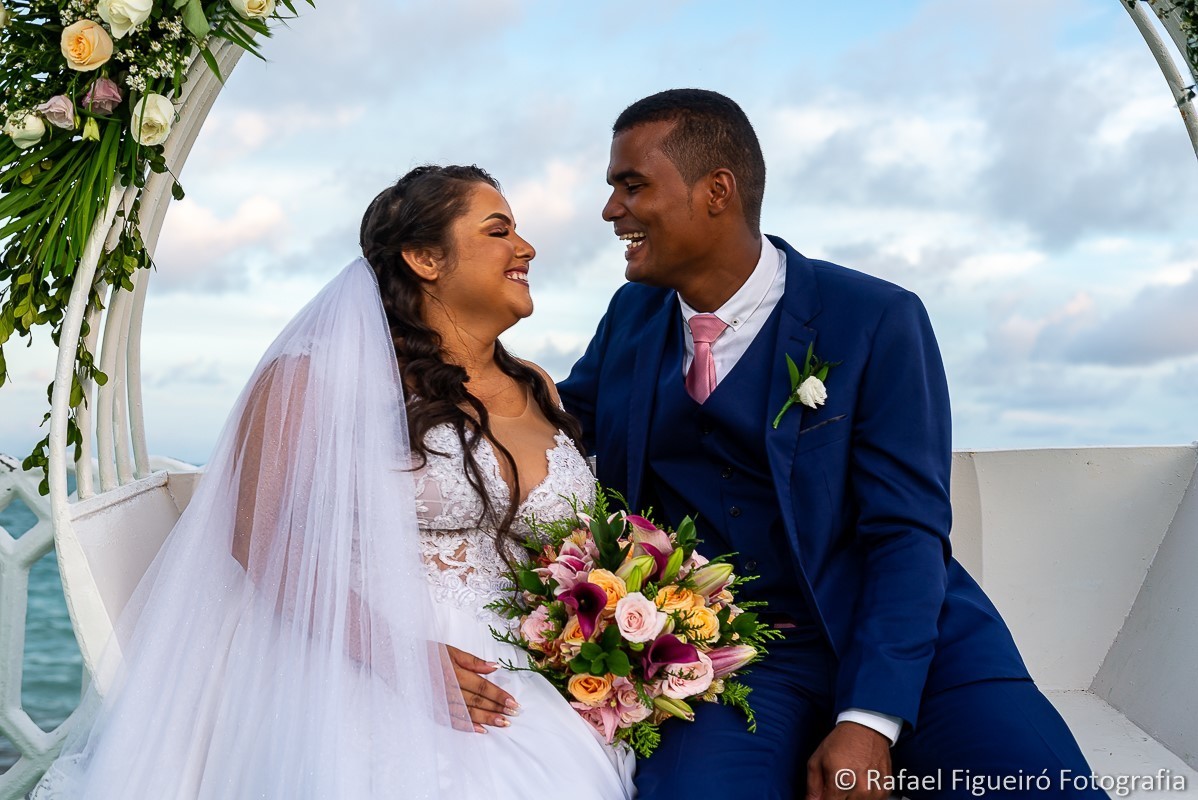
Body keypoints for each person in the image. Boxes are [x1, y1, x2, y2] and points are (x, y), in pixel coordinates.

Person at [558, 89, 1105, 800]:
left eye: (632, 186)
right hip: (730, 659)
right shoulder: (631, 316)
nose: (611, 211)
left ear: (716, 191)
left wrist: (870, 721)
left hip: (911, 646)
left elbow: (908, 533)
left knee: (1037, 789)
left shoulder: (877, 318)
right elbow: (557, 428)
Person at [32, 165, 634, 799]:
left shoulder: (535, 384)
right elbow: (256, 539)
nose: (527, 247)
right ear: (426, 258)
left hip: (539, 667)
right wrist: (403, 661)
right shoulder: (314, 379)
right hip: (367, 654)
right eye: (498, 230)